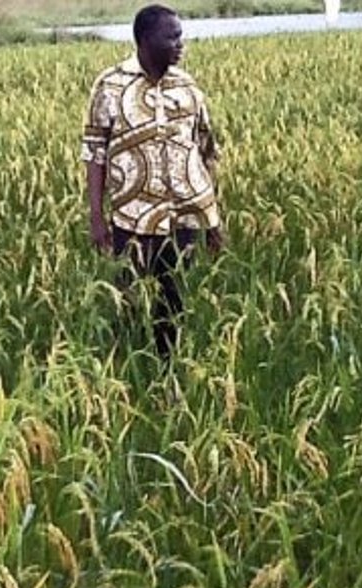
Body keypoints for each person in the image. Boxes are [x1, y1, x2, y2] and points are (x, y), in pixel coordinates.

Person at [81, 4, 224, 360]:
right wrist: (97, 218)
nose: (180, 43)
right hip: (133, 219)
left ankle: (168, 374)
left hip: (185, 217)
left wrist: (214, 219)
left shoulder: (187, 86)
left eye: (181, 36)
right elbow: (94, 153)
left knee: (173, 300)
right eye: (171, 36)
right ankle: (128, 373)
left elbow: (206, 151)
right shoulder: (111, 85)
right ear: (145, 40)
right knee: (129, 301)